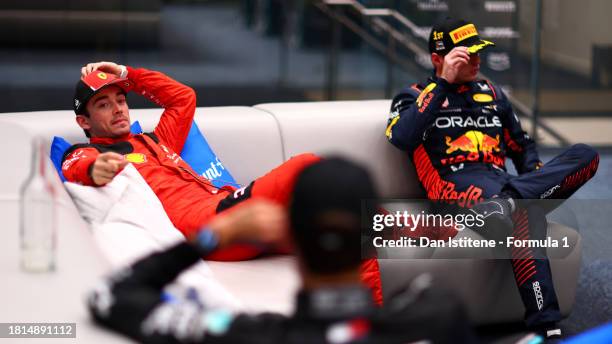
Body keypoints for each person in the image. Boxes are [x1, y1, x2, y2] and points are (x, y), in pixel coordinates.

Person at [87, 158, 476, 343]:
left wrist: (212, 237)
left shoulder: (240, 334)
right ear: (371, 238)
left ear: (287, 238)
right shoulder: (436, 311)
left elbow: (111, 295)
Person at [385, 17, 599, 339]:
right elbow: (402, 137)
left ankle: (512, 201)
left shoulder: (493, 94)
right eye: (465, 55)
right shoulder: (413, 96)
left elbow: (522, 146)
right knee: (526, 215)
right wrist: (442, 83)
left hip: (503, 191)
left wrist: (535, 177)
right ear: (437, 59)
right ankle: (548, 330)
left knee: (586, 155)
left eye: (478, 53)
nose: (476, 60)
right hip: (454, 193)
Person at [61, 61, 319, 261]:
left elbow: (183, 98)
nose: (118, 109)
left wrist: (127, 73)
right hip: (210, 226)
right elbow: (77, 166)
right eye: (104, 105)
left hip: (230, 211)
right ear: (84, 122)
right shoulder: (85, 152)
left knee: (331, 219)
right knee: (309, 165)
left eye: (121, 100)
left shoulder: (156, 139)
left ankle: (361, 266)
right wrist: (97, 169)